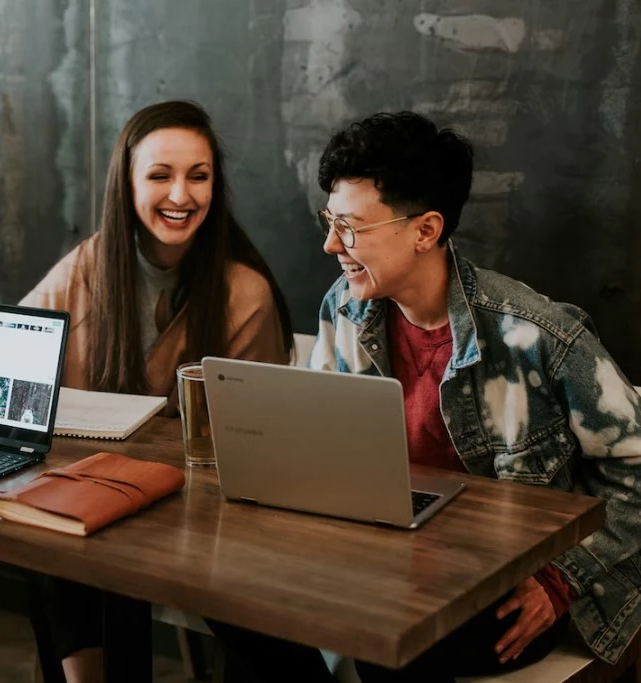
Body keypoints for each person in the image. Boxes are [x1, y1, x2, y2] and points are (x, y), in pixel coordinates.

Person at [213, 111, 641, 682]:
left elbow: (635, 467)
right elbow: (322, 453)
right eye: (329, 220)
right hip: (384, 556)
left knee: (390, 626)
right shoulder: (345, 308)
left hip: (502, 584)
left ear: (425, 231)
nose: (330, 243)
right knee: (230, 595)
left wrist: (562, 578)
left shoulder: (535, 335)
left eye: (350, 227)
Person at [21, 100, 295, 682]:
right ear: (126, 184)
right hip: (97, 497)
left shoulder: (243, 293)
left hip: (202, 517)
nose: (180, 195)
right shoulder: (90, 264)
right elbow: (17, 351)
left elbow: (254, 447)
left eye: (199, 176)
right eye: (160, 175)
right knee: (55, 537)